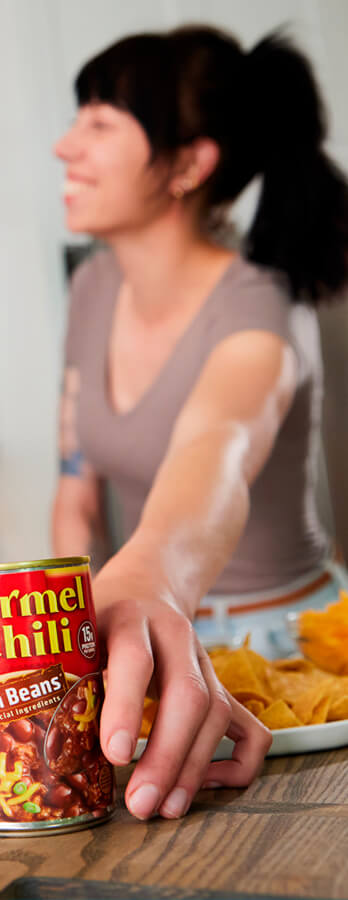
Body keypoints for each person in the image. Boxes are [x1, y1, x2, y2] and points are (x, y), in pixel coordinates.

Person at [52, 26, 348, 821]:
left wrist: (150, 570)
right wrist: (60, 648)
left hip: (301, 651)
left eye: (100, 123)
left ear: (189, 163)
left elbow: (219, 446)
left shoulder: (262, 302)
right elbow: (75, 491)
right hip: (153, 645)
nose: (63, 145)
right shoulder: (89, 292)